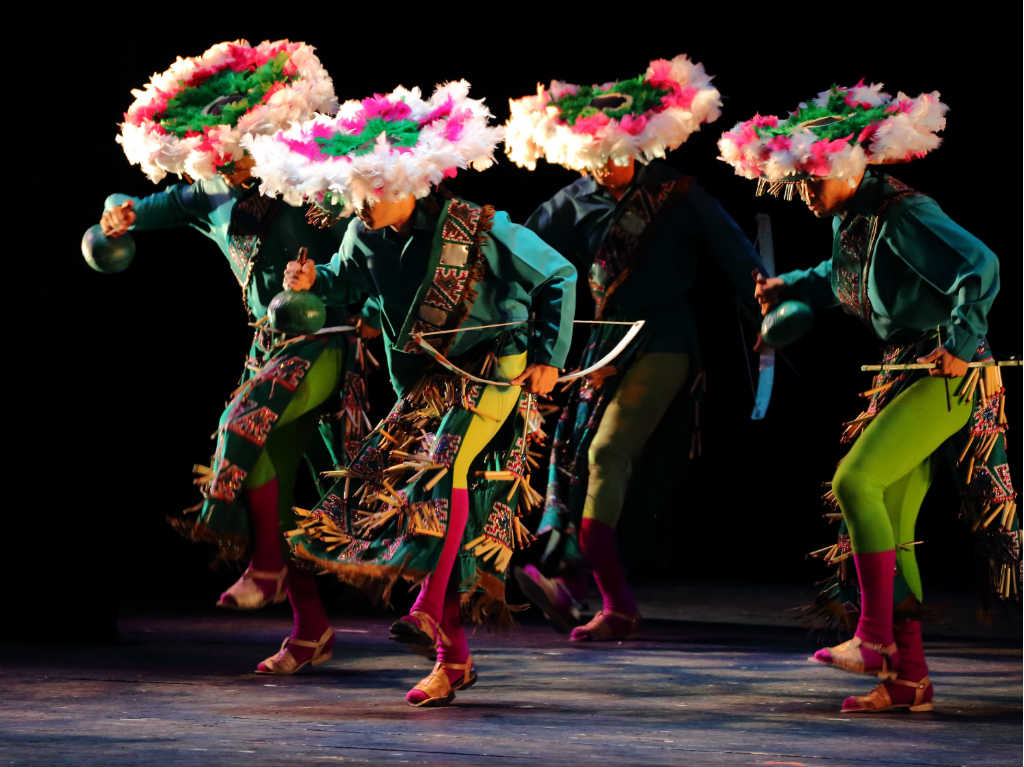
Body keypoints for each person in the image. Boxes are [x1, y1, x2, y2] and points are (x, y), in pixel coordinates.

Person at [247, 81, 576, 706]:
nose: (355, 203)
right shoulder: (362, 236)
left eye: (365, 190)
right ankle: (451, 661)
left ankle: (427, 609)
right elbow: (339, 291)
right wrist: (306, 283)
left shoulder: (481, 228)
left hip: (493, 369)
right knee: (412, 504)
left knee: (441, 467)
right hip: (425, 383)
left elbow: (558, 274)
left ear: (406, 182)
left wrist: (547, 360)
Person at [719, 81, 1019, 712]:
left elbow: (982, 265)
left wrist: (962, 341)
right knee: (897, 523)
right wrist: (788, 284)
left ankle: (875, 637)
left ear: (851, 165)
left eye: (810, 180)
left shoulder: (906, 214)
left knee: (855, 482)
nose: (803, 193)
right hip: (906, 370)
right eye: (796, 182)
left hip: (947, 374)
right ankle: (910, 677)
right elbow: (840, 277)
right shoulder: (855, 216)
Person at [98, 39, 366, 674]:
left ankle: (270, 567)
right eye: (229, 157)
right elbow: (142, 210)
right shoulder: (208, 192)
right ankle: (309, 629)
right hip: (269, 343)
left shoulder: (310, 180)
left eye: (249, 154)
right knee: (274, 479)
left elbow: (360, 241)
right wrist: (118, 217)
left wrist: (321, 272)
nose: (241, 167)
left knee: (246, 422)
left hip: (328, 340)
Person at [504, 54, 763, 641]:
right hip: (597, 354)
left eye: (616, 155)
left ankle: (612, 600)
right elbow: (517, 252)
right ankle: (570, 576)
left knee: (605, 455)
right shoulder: (573, 201)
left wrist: (768, 310)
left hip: (664, 347)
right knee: (571, 459)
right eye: (595, 158)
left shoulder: (678, 195)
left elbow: (739, 261)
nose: (607, 168)